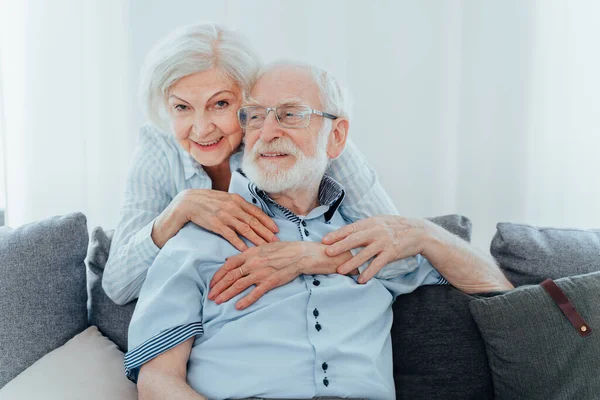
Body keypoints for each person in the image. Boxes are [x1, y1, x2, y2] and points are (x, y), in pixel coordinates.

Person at [125, 62, 513, 400]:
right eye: (255, 116)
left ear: (338, 136)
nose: (267, 131)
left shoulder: (379, 241)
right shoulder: (196, 241)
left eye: (291, 114)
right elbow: (157, 382)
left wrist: (424, 234)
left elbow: (498, 290)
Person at [103, 22, 403, 306]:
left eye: (220, 104)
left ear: (250, 102)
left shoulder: (304, 139)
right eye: (182, 107)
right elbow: (119, 285)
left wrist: (311, 256)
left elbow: (399, 250)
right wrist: (179, 210)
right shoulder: (159, 149)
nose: (201, 128)